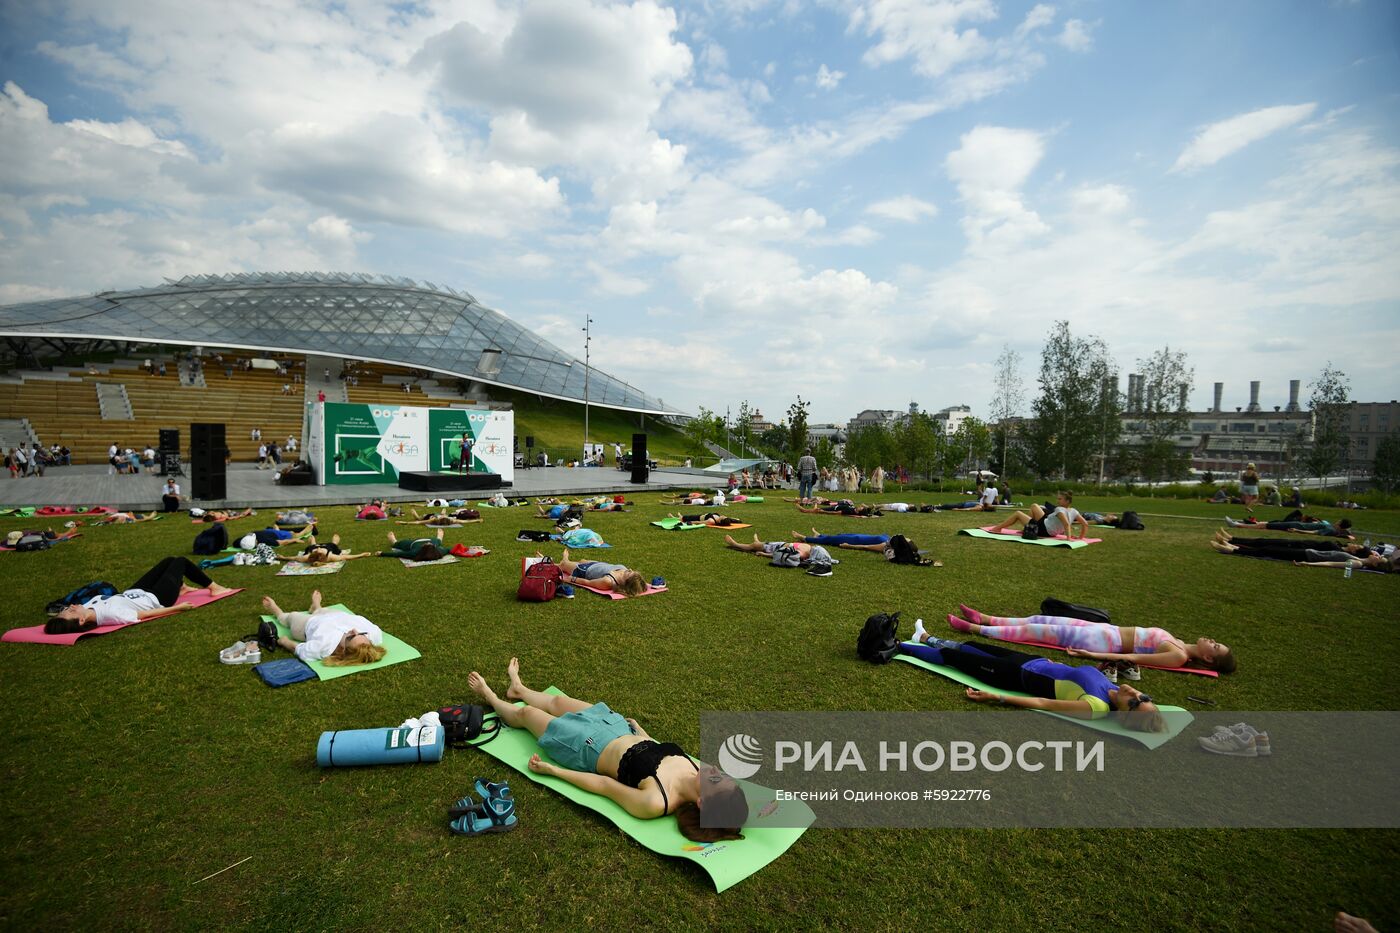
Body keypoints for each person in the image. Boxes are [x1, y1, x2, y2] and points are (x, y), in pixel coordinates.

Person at [467, 659, 746, 841]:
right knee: (556, 702)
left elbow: (602, 785)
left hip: (585, 746)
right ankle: (519, 688)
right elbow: (659, 750)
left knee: (527, 715)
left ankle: (489, 696)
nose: (716, 772)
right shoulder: (695, 769)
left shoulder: (656, 801)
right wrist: (641, 732)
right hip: (616, 726)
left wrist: (553, 771)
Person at [901, 625, 1167, 732]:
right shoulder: (1111, 687)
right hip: (1032, 662)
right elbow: (1073, 676)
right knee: (971, 646)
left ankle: (899, 647)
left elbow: (1042, 703)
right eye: (1143, 697)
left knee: (953, 658)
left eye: (1134, 704)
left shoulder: (1095, 707)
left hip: (1014, 676)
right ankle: (924, 638)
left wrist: (998, 697)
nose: (1134, 695)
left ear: (1122, 715)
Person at [946, 604, 1236, 674]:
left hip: (1105, 644)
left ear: (1208, 658)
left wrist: (1092, 657)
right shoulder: (1178, 641)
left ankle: (974, 630)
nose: (1212, 640)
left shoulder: (1179, 656)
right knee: (1041, 619)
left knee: (1037, 633)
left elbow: (1134, 658)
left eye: (1215, 646)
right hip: (1106, 632)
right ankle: (985, 618)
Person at [50, 558, 235, 628]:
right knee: (181, 562)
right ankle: (214, 587)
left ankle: (181, 587)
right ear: (81, 621)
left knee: (168, 561)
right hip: (157, 598)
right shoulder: (109, 616)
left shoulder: (86, 608)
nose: (72, 606)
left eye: (68, 608)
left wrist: (61, 616)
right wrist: (177, 608)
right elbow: (145, 614)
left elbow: (63, 619)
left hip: (135, 591)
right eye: (71, 611)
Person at [262, 591, 386, 665]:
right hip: (336, 615)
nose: (354, 630)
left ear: (341, 650)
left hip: (309, 623)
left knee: (291, 616)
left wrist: (284, 641)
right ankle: (317, 607)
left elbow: (300, 649)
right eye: (361, 634)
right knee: (322, 610)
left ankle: (277, 612)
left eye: (352, 636)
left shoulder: (323, 647)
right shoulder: (373, 634)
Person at [1210, 534, 1394, 571]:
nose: (1376, 554)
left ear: (1376, 563)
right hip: (1306, 551)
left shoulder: (1357, 563)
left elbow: (1330, 564)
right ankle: (1233, 547)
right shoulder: (1358, 558)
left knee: (1269, 551)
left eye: (1379, 557)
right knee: (1269, 548)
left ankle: (1231, 550)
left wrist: (1308, 564)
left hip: (1304, 556)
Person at [985, 491, 1088, 540]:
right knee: (1034, 506)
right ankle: (1028, 528)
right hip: (1049, 528)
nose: (1057, 501)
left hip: (1044, 529)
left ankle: (997, 528)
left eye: (1060, 499)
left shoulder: (1059, 509)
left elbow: (1066, 523)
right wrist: (1080, 537)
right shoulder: (1074, 511)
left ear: (1067, 501)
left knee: (1018, 513)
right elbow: (1085, 524)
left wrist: (1068, 539)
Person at [552, 549, 647, 596]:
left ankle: (562, 559)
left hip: (583, 570)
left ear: (625, 582)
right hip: (595, 564)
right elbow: (606, 565)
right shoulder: (624, 570)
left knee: (563, 565)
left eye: (629, 573)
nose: (629, 569)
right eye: (631, 570)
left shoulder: (608, 581)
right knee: (581, 560)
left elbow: (588, 583)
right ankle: (554, 562)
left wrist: (572, 579)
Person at [1225, 514, 1353, 539]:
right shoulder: (1333, 528)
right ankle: (1240, 523)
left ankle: (1237, 525)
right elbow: (1349, 533)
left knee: (1266, 526)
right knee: (1268, 524)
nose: (1336, 521)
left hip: (1296, 525)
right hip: (1297, 524)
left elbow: (1315, 533)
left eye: (1339, 521)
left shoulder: (1331, 530)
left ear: (1340, 525)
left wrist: (1297, 530)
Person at [281, 534, 372, 566]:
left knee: (312, 544)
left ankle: (313, 541)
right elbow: (346, 557)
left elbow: (294, 558)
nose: (319, 549)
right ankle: (335, 542)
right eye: (319, 551)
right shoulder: (331, 557)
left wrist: (283, 557)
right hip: (329, 547)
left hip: (313, 547)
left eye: (318, 550)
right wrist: (361, 555)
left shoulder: (306, 557)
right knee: (333, 544)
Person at [380, 530, 448, 561]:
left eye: (427, 544)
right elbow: (449, 549)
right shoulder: (439, 550)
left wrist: (382, 553)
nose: (428, 543)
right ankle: (440, 537)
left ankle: (394, 541)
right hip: (432, 540)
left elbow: (398, 554)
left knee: (401, 543)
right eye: (430, 544)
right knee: (438, 542)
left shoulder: (414, 552)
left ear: (422, 548)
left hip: (413, 543)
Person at [668, 511, 742, 527]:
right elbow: (733, 519)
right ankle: (679, 516)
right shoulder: (723, 519)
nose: (724, 515)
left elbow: (698, 522)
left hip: (697, 517)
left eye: (724, 517)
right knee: (683, 516)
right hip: (701, 514)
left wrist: (689, 522)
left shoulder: (711, 521)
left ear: (720, 520)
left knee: (683, 518)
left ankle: (674, 518)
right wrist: (737, 520)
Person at [94, 511, 160, 524]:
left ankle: (151, 517)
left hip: (130, 515)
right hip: (131, 516)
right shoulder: (111, 519)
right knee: (145, 518)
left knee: (145, 517)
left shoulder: (111, 517)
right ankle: (151, 516)